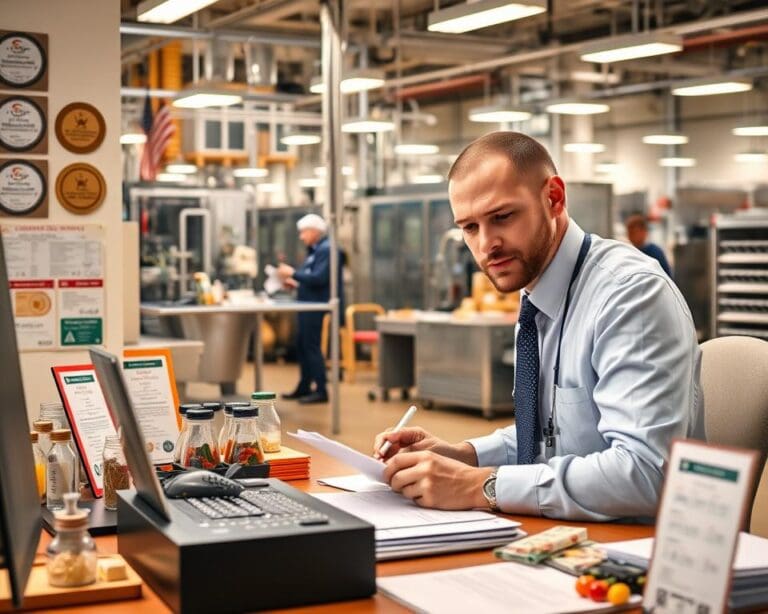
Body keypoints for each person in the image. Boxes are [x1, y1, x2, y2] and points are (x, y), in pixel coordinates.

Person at [374, 132, 703, 522]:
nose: (486, 245)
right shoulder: (538, 295)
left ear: (554, 198)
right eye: (470, 227)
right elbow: (555, 438)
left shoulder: (629, 296)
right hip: (570, 536)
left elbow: (646, 474)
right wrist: (465, 456)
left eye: (502, 217)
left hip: (636, 551)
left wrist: (478, 484)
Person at [277, 213, 344, 405]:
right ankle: (305, 385)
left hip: (317, 305)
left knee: (312, 347)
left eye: (303, 232)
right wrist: (296, 283)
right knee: (302, 345)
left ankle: (321, 390)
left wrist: (293, 273)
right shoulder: (315, 250)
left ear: (315, 231)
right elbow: (311, 278)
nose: (301, 237)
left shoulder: (327, 250)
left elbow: (320, 279)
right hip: (308, 304)